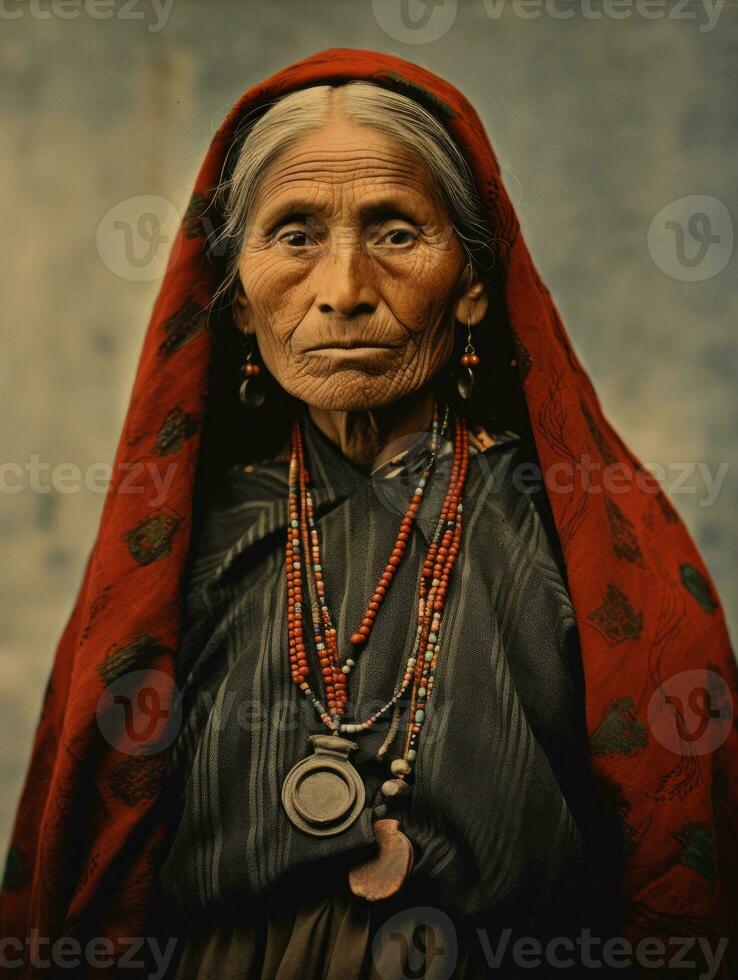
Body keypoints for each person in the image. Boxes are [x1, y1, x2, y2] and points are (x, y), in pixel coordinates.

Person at [1, 49, 736, 980]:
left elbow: (679, 864)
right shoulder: (182, 552)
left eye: (395, 233)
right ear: (233, 297)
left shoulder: (581, 546)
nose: (344, 291)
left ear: (474, 282)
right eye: (295, 235)